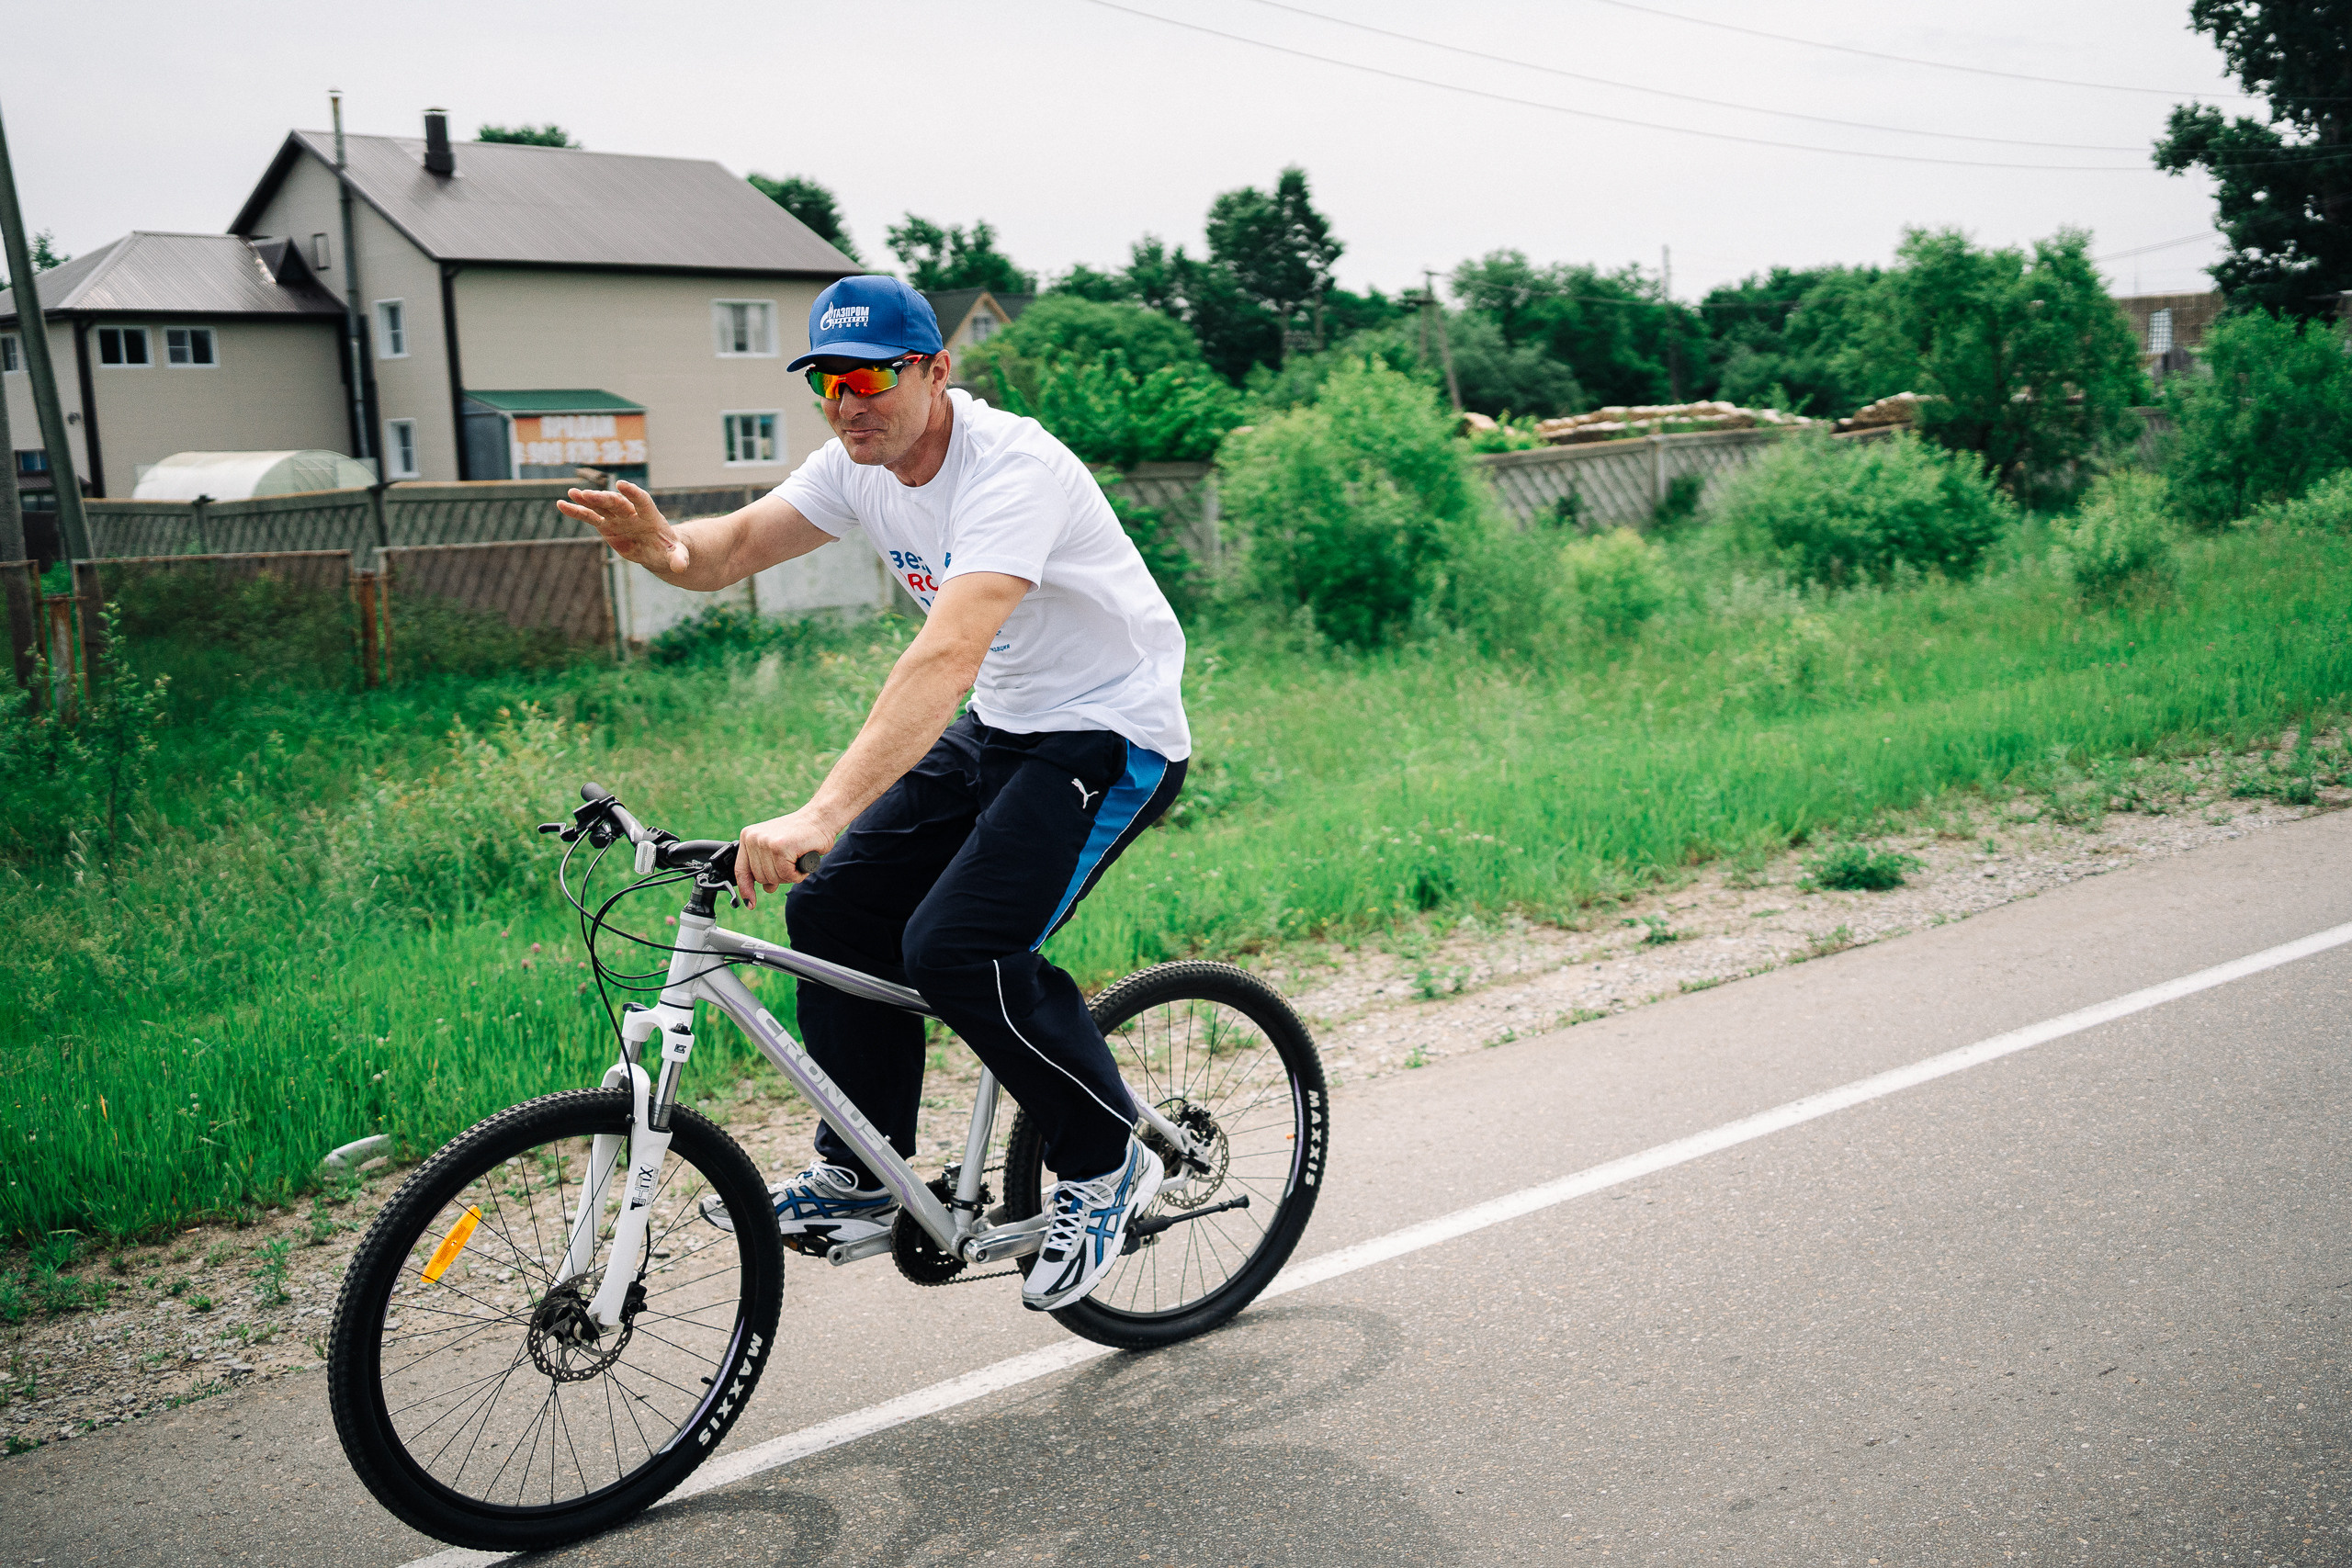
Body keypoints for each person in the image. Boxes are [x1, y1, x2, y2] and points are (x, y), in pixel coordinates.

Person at [556, 276, 1189, 1312]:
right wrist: (662, 548)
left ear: (936, 373)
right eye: (826, 384)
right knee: (833, 908)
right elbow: (733, 548)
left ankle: (1104, 1159)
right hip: (1008, 724)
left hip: (1107, 734)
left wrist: (819, 813)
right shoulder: (861, 465)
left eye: (868, 378)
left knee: (958, 949)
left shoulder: (1010, 469)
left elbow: (944, 656)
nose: (848, 402)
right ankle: (865, 1175)